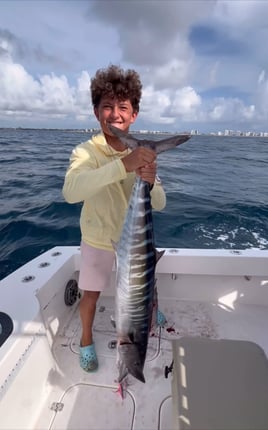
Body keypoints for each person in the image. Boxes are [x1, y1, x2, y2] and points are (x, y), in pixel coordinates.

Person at [62, 64, 166, 373]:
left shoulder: (145, 153)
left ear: (134, 114)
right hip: (98, 240)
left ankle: (149, 312)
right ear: (96, 112)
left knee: (146, 290)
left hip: (136, 244)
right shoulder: (85, 152)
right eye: (107, 106)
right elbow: (71, 191)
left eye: (123, 107)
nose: (115, 114)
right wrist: (125, 165)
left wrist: (148, 178)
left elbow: (159, 203)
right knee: (90, 294)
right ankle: (85, 340)